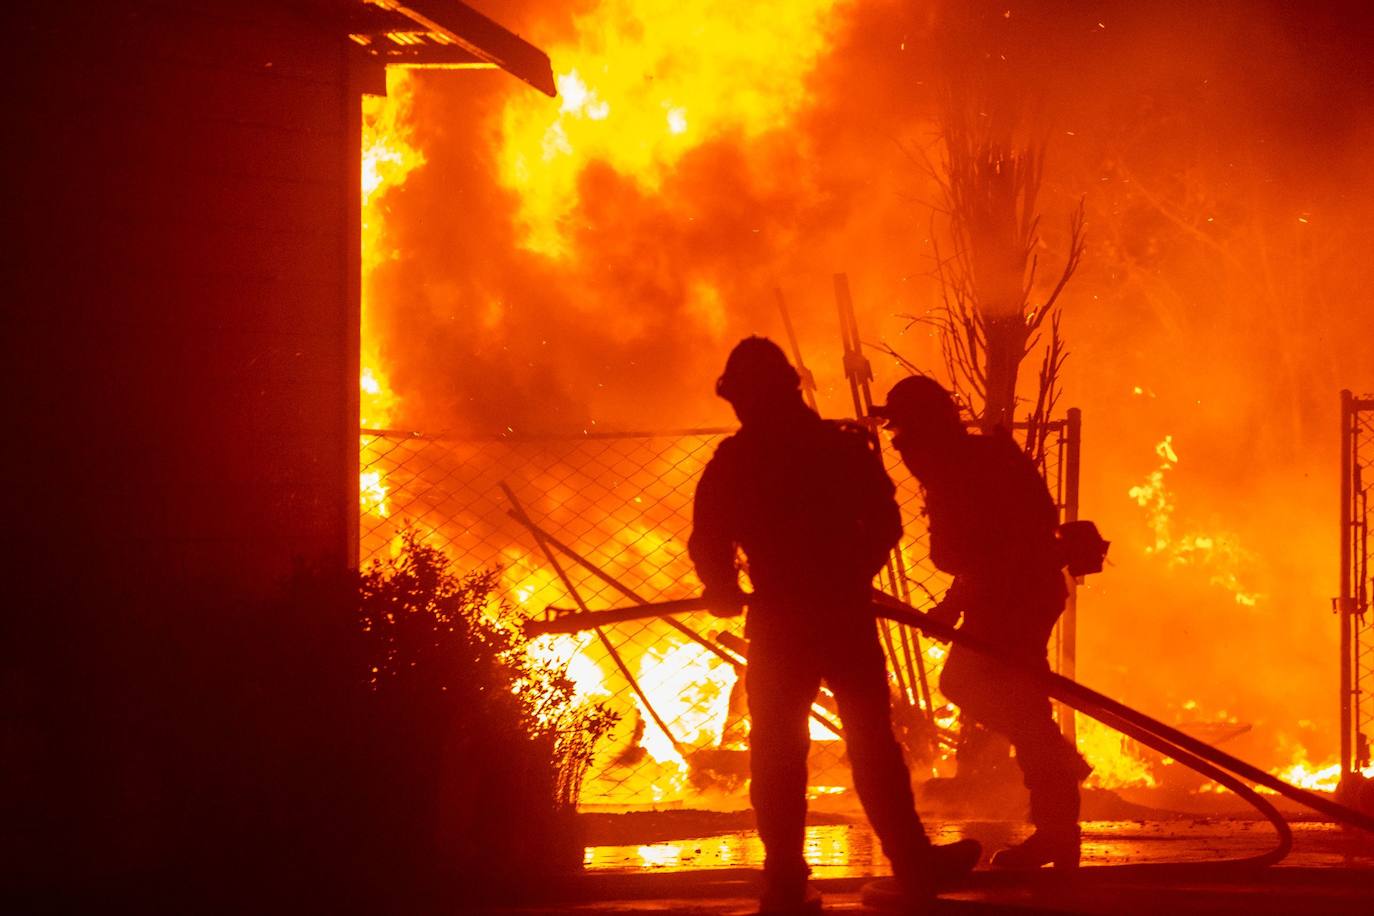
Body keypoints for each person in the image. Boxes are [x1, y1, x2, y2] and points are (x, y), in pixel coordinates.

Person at [689, 338, 979, 914]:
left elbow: (709, 537)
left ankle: (786, 878)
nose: (742, 407)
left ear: (747, 396)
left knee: (778, 749)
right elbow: (885, 522)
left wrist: (723, 588)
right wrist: (848, 573)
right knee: (868, 741)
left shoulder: (736, 461)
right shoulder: (839, 448)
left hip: (780, 619)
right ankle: (912, 864)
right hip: (841, 612)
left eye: (742, 396)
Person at [872, 375, 1090, 870]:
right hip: (1006, 595)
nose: (897, 439)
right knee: (991, 694)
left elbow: (1001, 548)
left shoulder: (970, 465)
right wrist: (957, 603)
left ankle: (1057, 813)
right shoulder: (962, 462)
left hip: (1016, 599)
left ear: (923, 425)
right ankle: (1057, 788)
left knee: (1013, 704)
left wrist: (964, 599)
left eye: (901, 427)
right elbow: (981, 555)